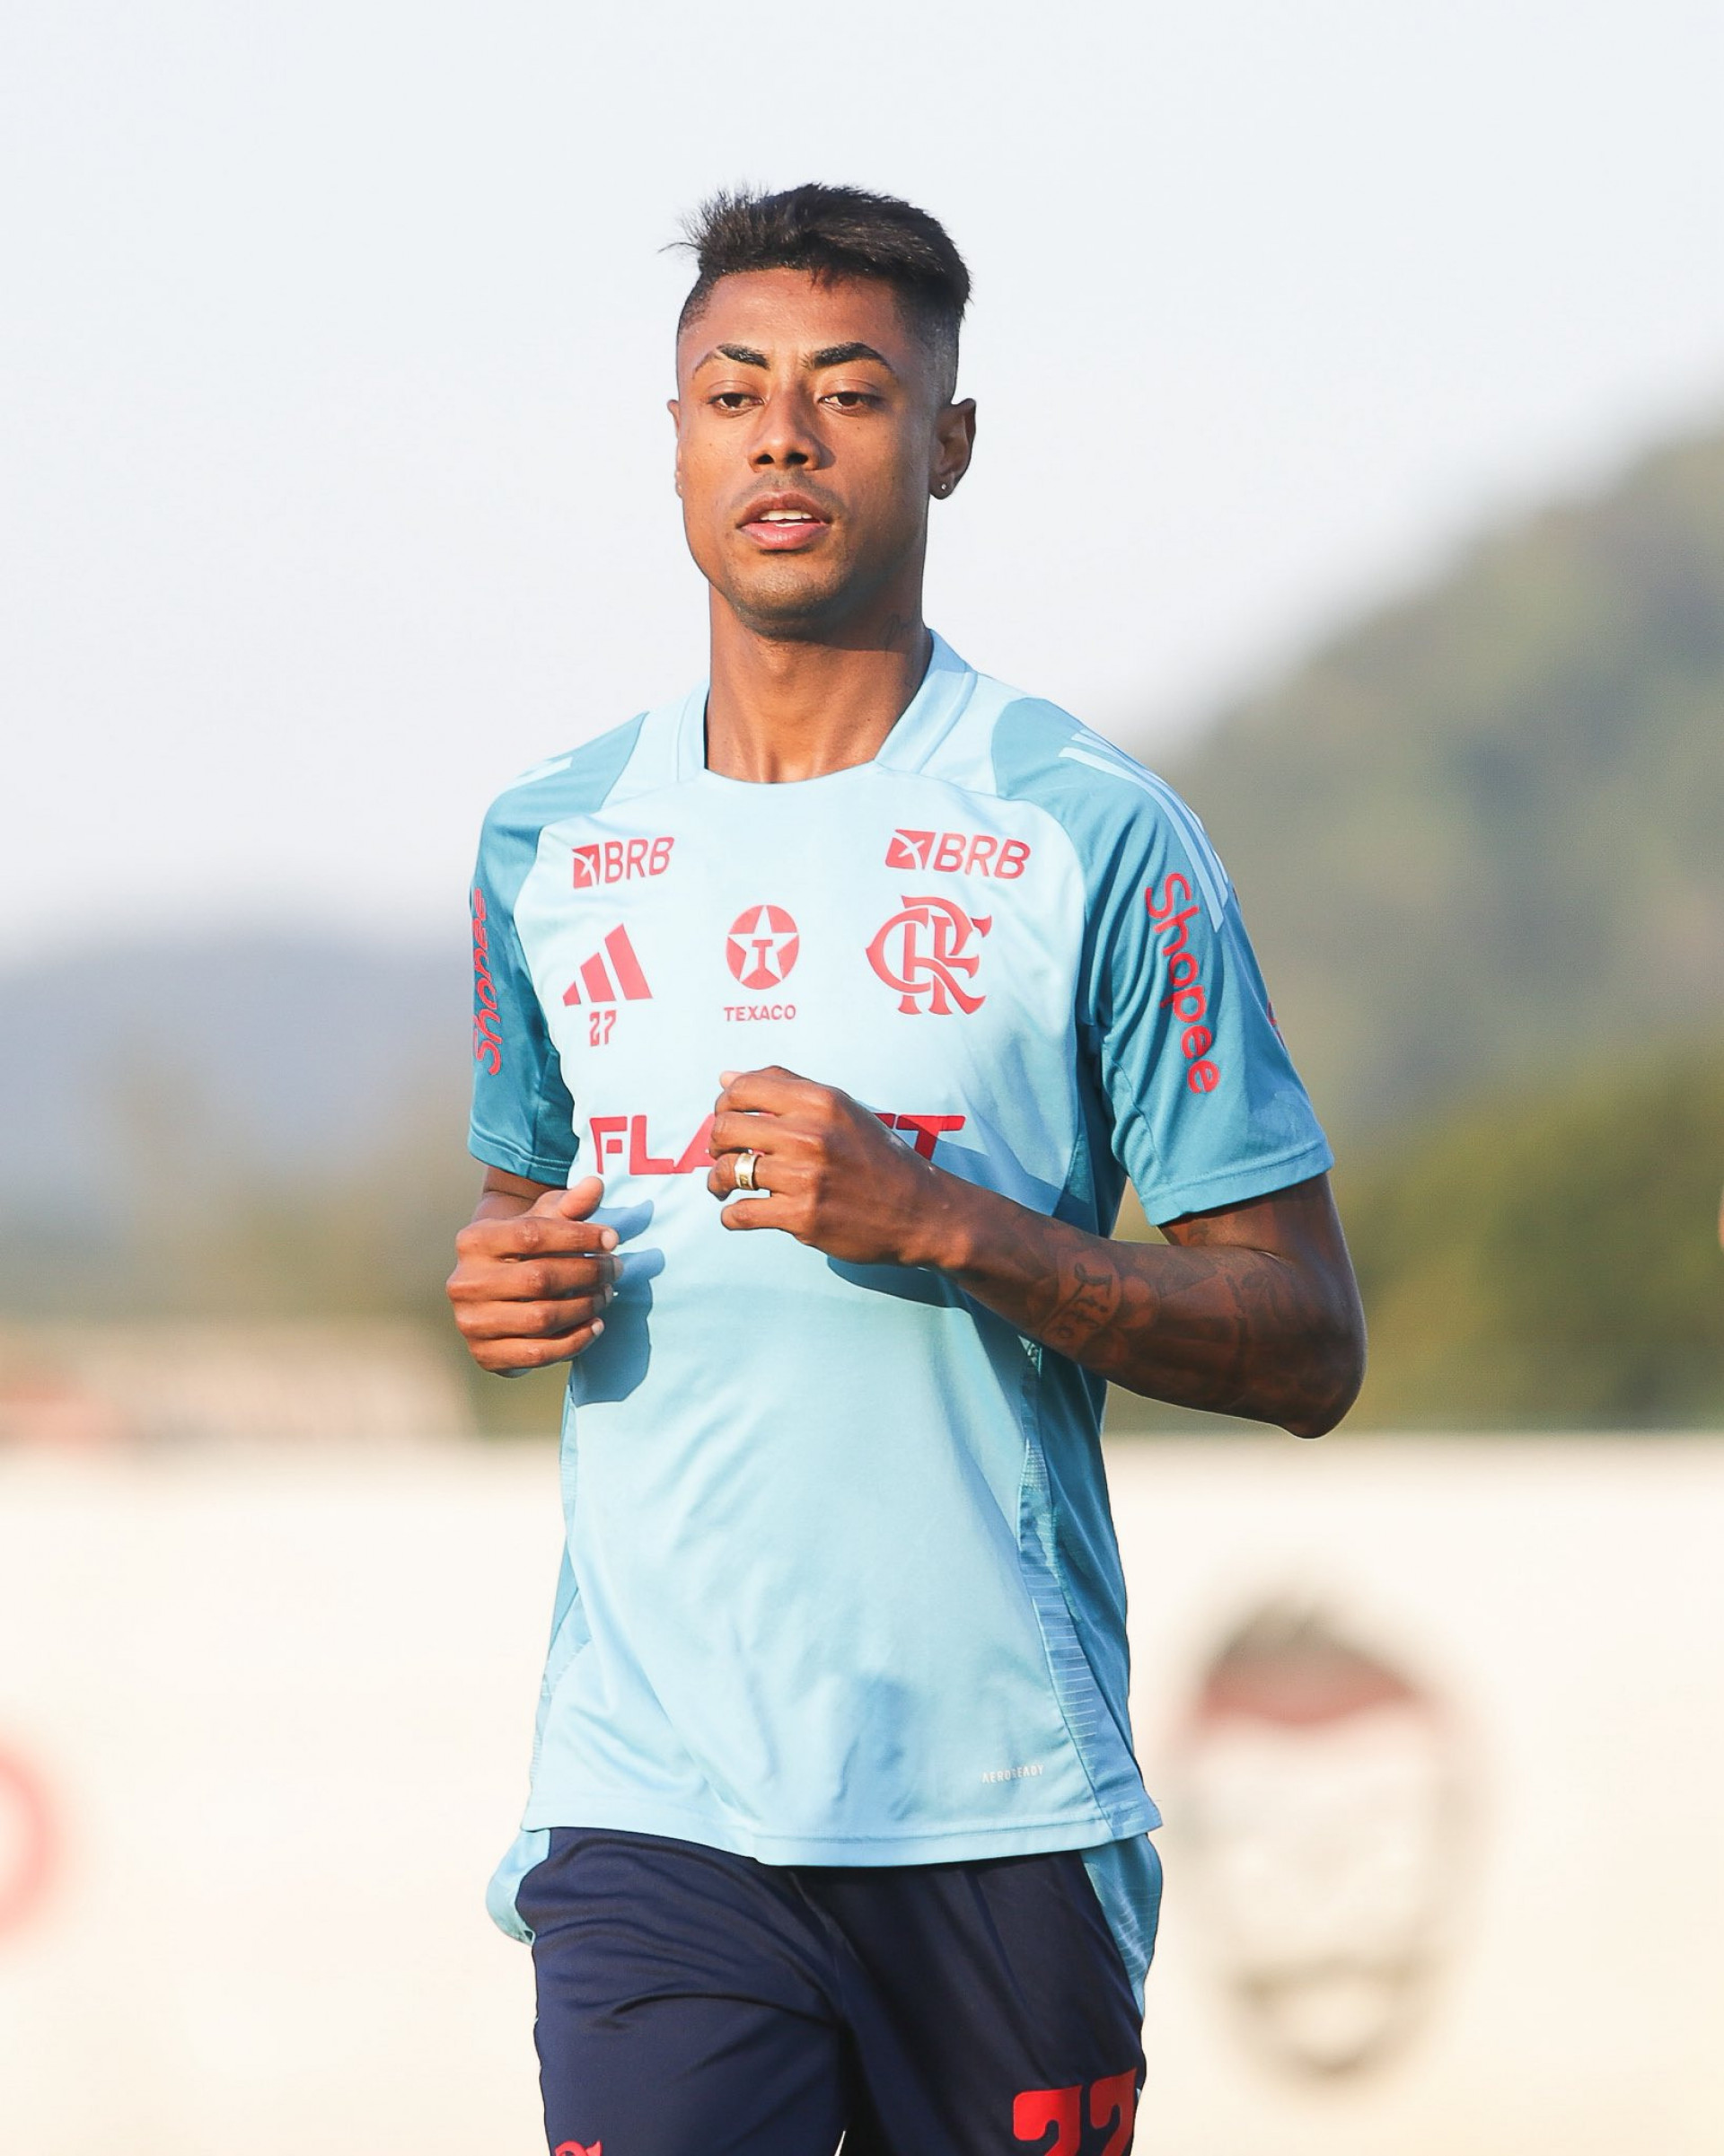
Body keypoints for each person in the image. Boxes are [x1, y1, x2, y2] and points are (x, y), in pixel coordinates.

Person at [445, 183, 1366, 2156]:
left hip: (999, 1805)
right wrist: (505, 1278)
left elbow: (1307, 1339)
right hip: (651, 1799)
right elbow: (525, 1206)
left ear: (947, 441)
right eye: (733, 394)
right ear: (675, 440)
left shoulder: (1092, 833)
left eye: (850, 393)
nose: (784, 437)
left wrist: (942, 1222)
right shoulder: (548, 842)